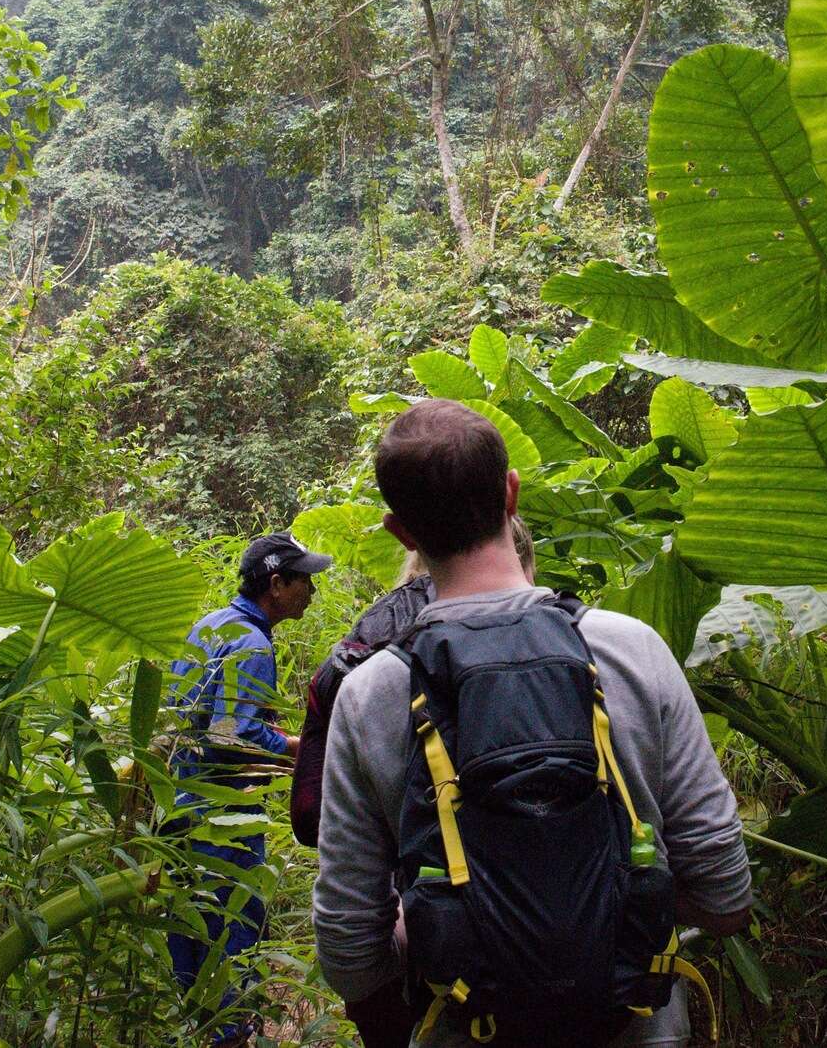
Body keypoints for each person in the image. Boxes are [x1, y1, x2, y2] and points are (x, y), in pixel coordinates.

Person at [314, 400, 752, 1048]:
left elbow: (351, 956)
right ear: (511, 493)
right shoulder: (631, 650)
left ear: (400, 531)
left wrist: (446, 925)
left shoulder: (372, 692)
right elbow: (725, 897)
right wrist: (607, 912)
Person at [293, 517, 537, 1048]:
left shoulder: (365, 653)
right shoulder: (598, 644)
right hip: (600, 987)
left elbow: (314, 823)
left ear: (406, 538)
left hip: (442, 969)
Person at [166, 531, 332, 1046]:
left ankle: (203, 1032)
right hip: (222, 820)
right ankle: (233, 1036)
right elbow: (230, 735)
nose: (311, 591)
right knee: (231, 936)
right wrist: (297, 748)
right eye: (305, 580)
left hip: (175, 810)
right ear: (277, 584)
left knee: (189, 935)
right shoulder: (253, 644)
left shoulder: (209, 627)